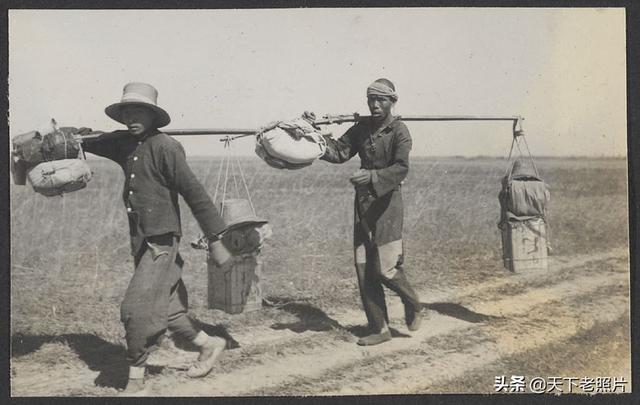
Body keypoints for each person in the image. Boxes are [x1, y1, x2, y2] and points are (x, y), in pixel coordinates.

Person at [80, 82, 232, 395]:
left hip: (161, 241)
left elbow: (194, 193)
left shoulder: (166, 147)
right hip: (140, 239)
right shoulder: (125, 143)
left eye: (139, 111)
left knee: (135, 309)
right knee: (169, 308)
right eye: (127, 111)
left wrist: (216, 238)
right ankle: (209, 344)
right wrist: (66, 135)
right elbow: (91, 139)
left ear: (153, 115)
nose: (132, 116)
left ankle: (136, 381)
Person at [319, 78, 423, 346]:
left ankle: (413, 301)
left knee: (386, 269)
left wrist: (372, 177)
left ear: (392, 101)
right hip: (363, 206)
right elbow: (340, 152)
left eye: (381, 100)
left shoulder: (400, 132)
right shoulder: (361, 128)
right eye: (371, 100)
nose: (375, 105)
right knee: (364, 268)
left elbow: (401, 168)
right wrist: (313, 139)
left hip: (388, 205)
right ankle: (380, 328)